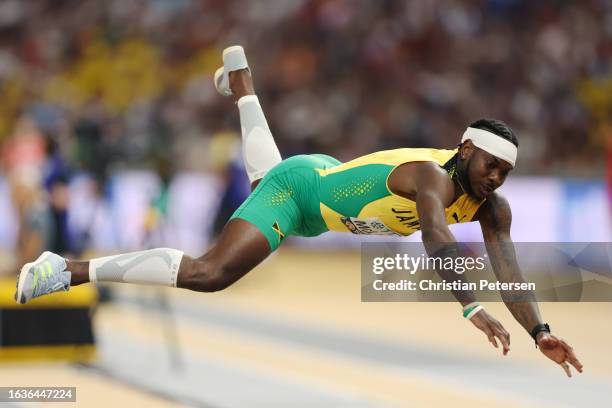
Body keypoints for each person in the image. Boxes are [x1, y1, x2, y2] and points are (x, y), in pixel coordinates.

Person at [15, 46, 582, 377]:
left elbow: (510, 270)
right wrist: (469, 308)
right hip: (302, 192)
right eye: (489, 166)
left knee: (267, 176)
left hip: (323, 188)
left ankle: (241, 83)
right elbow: (436, 241)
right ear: (465, 150)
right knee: (210, 273)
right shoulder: (431, 178)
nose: (495, 178)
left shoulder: (492, 207)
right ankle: (67, 267)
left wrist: (539, 332)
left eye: (505, 173)